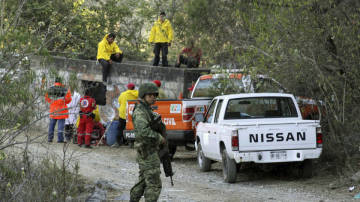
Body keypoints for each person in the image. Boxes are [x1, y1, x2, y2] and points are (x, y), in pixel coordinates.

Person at [130, 83, 166, 202]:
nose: (153, 97)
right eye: (150, 95)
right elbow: (143, 131)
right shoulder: (140, 111)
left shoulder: (147, 110)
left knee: (143, 181)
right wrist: (159, 138)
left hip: (148, 151)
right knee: (154, 185)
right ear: (144, 95)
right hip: (147, 152)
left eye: (155, 95)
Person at [45, 77, 72, 143]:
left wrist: (53, 103)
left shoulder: (50, 89)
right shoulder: (65, 90)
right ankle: (60, 139)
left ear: (55, 81)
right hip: (62, 111)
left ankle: (50, 138)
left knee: (51, 125)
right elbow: (68, 100)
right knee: (60, 126)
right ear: (61, 82)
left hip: (53, 110)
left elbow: (47, 99)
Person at [116, 83, 138, 147]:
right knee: (132, 128)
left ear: (127, 88)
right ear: (134, 88)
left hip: (123, 114)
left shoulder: (123, 94)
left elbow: (119, 101)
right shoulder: (137, 94)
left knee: (120, 128)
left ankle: (118, 142)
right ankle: (131, 143)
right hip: (132, 114)